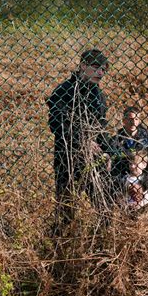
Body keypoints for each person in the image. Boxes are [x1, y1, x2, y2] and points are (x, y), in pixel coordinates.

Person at [47, 49, 115, 217]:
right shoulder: (64, 91)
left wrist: (107, 152)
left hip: (94, 159)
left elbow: (101, 127)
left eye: (104, 69)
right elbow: (57, 125)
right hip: (68, 157)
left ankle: (102, 240)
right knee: (66, 209)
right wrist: (83, 141)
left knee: (105, 207)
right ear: (83, 65)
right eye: (96, 67)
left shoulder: (98, 95)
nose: (101, 72)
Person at [113, 106, 148, 186]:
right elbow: (114, 167)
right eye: (130, 119)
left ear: (139, 121)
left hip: (145, 178)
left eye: (136, 119)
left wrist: (147, 184)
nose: (134, 122)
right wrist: (124, 184)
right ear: (124, 121)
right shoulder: (116, 140)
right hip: (124, 180)